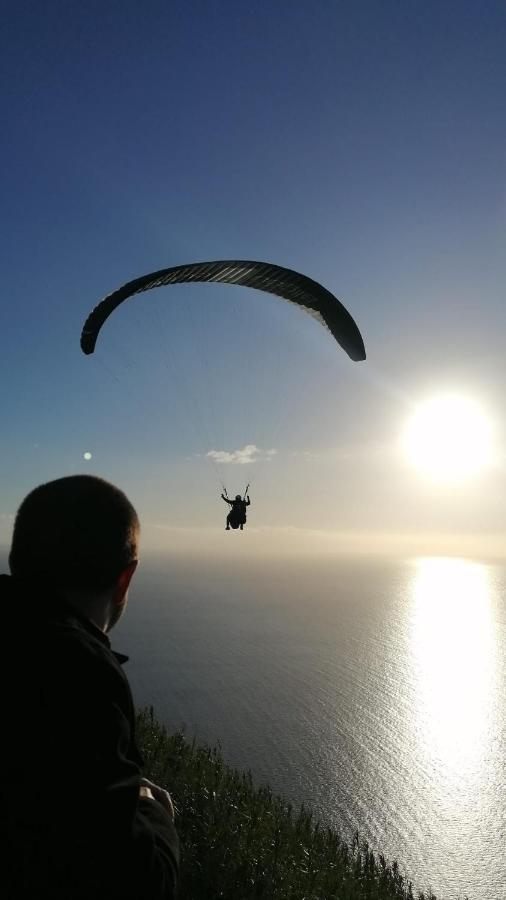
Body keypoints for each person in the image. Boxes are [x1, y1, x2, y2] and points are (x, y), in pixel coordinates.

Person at [0, 475, 179, 899]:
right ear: (125, 579)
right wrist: (154, 814)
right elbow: (138, 882)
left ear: (15, 557)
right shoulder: (77, 674)